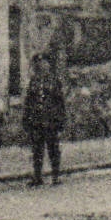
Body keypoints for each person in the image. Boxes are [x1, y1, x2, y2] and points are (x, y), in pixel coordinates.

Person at [23, 52, 67, 186]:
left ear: (48, 65)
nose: (41, 65)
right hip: (37, 121)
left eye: (44, 63)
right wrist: (26, 119)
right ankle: (38, 177)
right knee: (37, 150)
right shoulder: (33, 82)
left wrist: (60, 121)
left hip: (51, 121)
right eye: (38, 63)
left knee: (53, 149)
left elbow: (60, 102)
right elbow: (29, 102)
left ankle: (55, 176)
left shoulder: (54, 81)